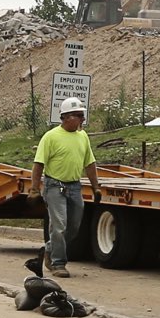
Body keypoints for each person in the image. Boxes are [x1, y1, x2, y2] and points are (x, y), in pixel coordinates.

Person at [32, 100, 100, 275]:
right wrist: (34, 188)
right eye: (78, 115)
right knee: (59, 225)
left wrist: (96, 187)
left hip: (75, 186)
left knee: (74, 226)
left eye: (82, 115)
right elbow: (39, 164)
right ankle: (58, 263)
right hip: (54, 186)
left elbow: (90, 163)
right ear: (66, 117)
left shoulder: (82, 137)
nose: (82, 119)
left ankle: (50, 248)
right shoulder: (50, 137)